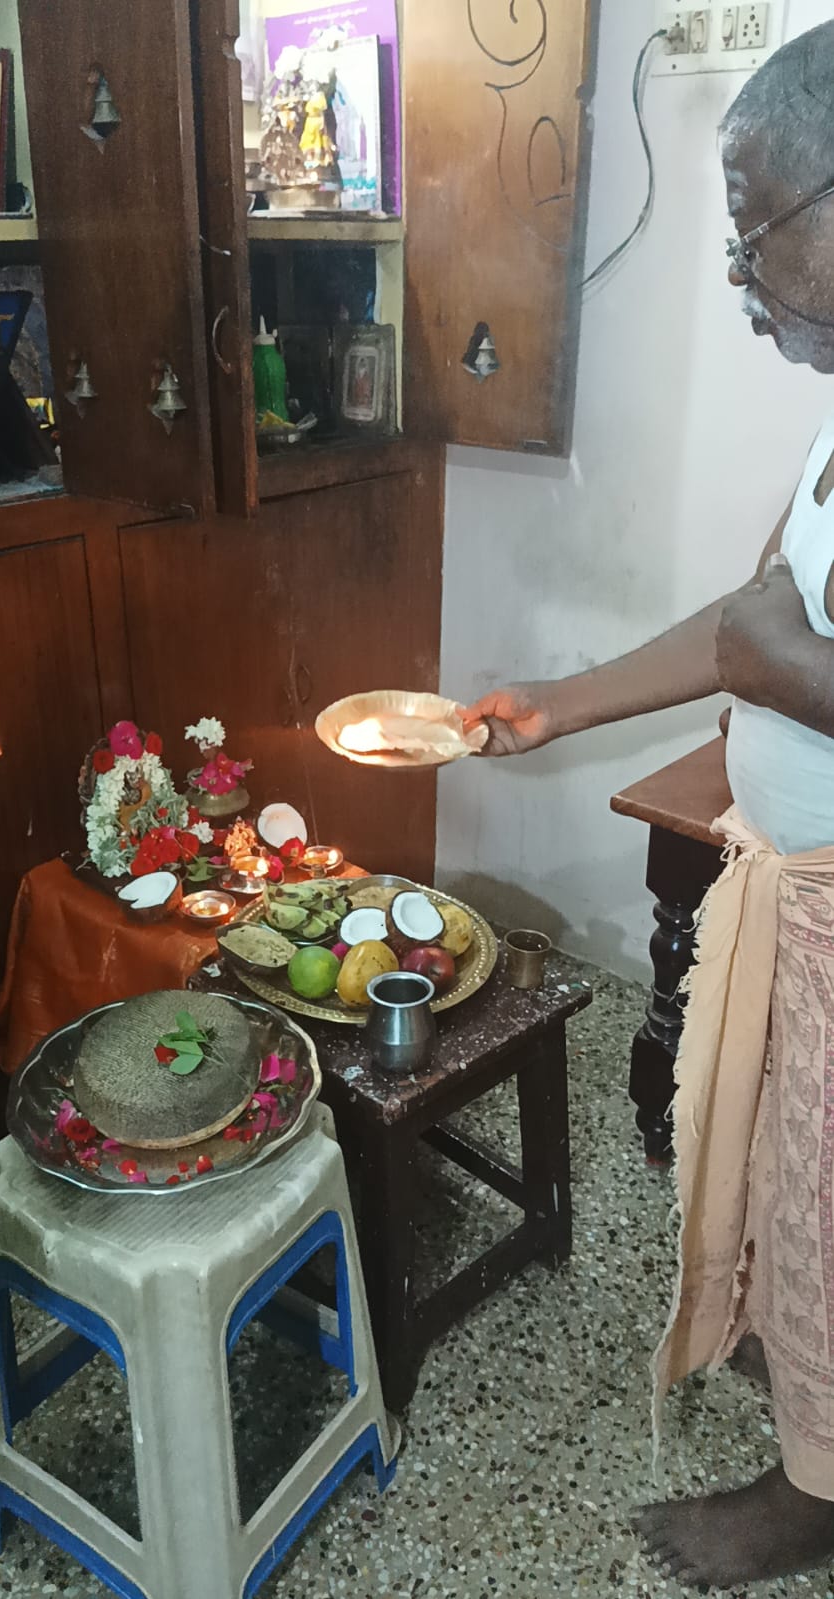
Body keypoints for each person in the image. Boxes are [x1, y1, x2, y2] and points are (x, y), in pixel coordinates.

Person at [464, 21, 834, 1588]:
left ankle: (816, 1498)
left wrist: (795, 669)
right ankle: (810, 1396)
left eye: (757, 222)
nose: (738, 270)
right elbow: (750, 618)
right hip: (799, 883)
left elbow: (777, 647)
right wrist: (560, 703)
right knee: (792, 1182)